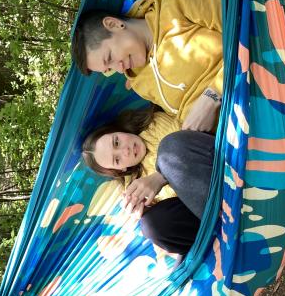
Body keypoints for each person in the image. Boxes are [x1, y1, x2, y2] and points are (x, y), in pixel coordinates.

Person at [72, 0, 224, 133]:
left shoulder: (175, 2)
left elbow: (240, 23)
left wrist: (213, 95)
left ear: (114, 24)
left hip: (237, 91)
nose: (120, 69)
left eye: (109, 58)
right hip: (217, 138)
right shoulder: (139, 84)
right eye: (109, 69)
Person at [81, 106, 215, 256]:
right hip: (203, 213)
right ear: (121, 169)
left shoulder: (153, 125)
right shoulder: (133, 184)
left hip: (211, 174)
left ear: (120, 130)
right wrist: (147, 209)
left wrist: (159, 178)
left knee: (169, 148)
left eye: (117, 142)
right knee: (150, 225)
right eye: (117, 159)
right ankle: (215, 238)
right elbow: (173, 214)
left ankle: (220, 218)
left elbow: (185, 146)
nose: (125, 151)